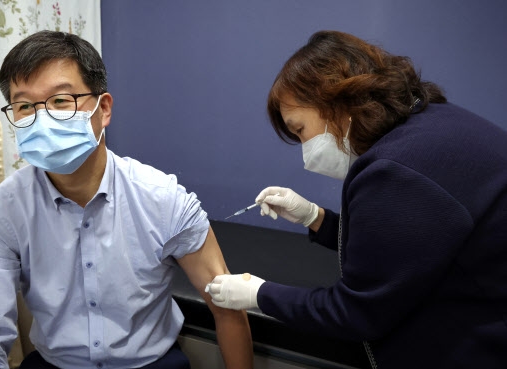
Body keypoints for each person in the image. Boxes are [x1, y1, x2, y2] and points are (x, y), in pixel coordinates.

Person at [0, 30, 253, 369]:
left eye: (61, 101)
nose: (42, 118)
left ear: (103, 108)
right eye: (24, 106)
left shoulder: (163, 200)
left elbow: (226, 307)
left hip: (150, 363)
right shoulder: (3, 210)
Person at [206, 30, 507, 368]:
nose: (305, 154)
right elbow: (404, 247)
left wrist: (259, 294)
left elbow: (356, 313)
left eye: (300, 130)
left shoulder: (396, 172)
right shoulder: (434, 123)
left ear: (336, 100)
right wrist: (314, 218)